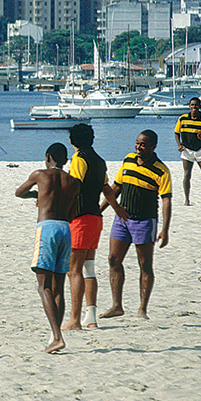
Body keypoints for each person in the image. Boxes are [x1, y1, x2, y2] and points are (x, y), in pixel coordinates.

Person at [14, 143, 80, 353]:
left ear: (48, 156)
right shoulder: (73, 182)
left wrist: (38, 196)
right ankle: (55, 336)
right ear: (66, 160)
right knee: (59, 286)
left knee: (43, 286)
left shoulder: (40, 175)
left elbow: (19, 192)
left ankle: (58, 337)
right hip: (65, 229)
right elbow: (72, 211)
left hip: (47, 228)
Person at [101, 130, 172, 321]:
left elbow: (166, 201)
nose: (138, 147)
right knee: (113, 260)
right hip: (122, 219)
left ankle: (142, 309)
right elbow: (116, 187)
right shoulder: (129, 159)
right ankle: (117, 306)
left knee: (145, 265)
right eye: (137, 143)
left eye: (143, 145)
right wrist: (100, 210)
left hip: (145, 221)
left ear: (153, 147)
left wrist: (165, 229)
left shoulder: (161, 170)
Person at [62, 124, 123, 331]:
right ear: (92, 139)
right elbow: (106, 189)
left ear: (72, 142)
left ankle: (74, 320)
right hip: (96, 218)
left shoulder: (79, 159)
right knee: (88, 268)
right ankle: (92, 318)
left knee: (74, 270)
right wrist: (118, 210)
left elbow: (74, 186)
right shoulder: (99, 161)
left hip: (80, 218)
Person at [174, 97, 201, 205]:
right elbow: (176, 133)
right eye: (192, 105)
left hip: (200, 150)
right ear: (189, 106)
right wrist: (179, 145)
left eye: (196, 105)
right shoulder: (182, 119)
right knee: (187, 175)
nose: (194, 107)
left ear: (200, 106)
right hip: (187, 150)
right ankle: (187, 199)